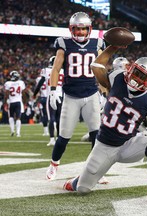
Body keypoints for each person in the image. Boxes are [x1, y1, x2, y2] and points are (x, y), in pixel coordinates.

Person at [63, 44, 147, 204]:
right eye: (136, 72)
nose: (136, 78)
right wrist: (113, 47)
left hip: (127, 145)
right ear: (131, 69)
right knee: (83, 189)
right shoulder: (117, 78)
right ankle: (77, 180)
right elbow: (96, 66)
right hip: (103, 146)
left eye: (142, 76)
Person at [46, 12, 105, 180]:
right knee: (64, 135)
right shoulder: (64, 43)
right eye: (77, 29)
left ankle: (95, 170)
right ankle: (54, 164)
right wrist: (53, 89)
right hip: (71, 95)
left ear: (89, 29)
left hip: (91, 94)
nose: (80, 32)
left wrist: (104, 92)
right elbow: (56, 69)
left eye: (83, 29)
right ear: (71, 29)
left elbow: (100, 70)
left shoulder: (97, 44)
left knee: (96, 134)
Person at [34, 56, 64, 146]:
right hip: (60, 96)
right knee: (59, 118)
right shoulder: (62, 71)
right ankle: (59, 137)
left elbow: (40, 82)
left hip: (51, 95)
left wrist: (35, 93)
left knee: (52, 117)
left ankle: (52, 139)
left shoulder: (46, 70)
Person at [4, 71, 26, 137]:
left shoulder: (8, 83)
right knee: (18, 117)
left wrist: (5, 102)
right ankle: (18, 133)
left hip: (11, 102)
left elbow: (6, 94)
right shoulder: (21, 83)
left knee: (11, 116)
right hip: (18, 102)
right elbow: (24, 93)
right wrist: (24, 102)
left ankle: (12, 130)